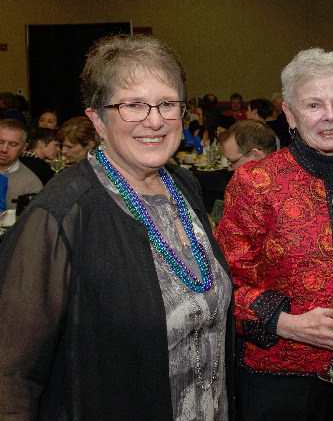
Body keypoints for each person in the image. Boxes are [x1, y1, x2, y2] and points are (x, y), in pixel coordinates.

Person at [0, 34, 234, 419]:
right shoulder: (61, 215)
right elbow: (11, 375)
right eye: (134, 105)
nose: (155, 120)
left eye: (167, 104)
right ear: (97, 119)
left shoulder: (183, 185)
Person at [215, 48, 333, 421]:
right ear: (291, 116)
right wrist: (289, 324)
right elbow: (224, 281)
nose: (330, 115)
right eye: (313, 105)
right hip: (279, 372)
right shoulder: (256, 182)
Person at [0, 119, 43, 210]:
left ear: (24, 148)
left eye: (13, 144)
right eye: (0, 142)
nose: (4, 149)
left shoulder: (31, 185)